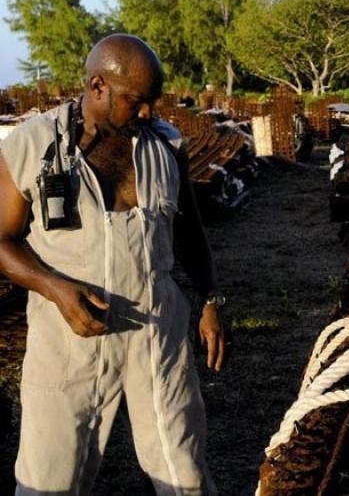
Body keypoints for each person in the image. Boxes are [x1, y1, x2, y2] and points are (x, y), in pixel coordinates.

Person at [0, 34, 226, 495]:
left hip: (157, 331)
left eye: (152, 101)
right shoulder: (32, 145)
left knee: (183, 470)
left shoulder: (166, 146)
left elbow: (189, 231)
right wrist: (53, 287)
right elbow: (1, 239)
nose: (147, 112)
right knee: (50, 478)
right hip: (69, 338)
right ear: (98, 86)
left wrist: (210, 298)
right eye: (136, 100)